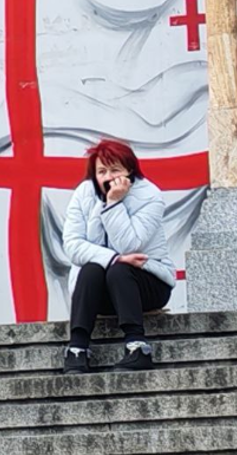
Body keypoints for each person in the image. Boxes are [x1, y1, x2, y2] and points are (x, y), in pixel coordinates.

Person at [62, 139, 176, 373]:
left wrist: (113, 202)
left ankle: (137, 346)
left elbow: (131, 244)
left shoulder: (150, 196)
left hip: (147, 283)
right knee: (93, 268)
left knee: (120, 270)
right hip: (99, 289)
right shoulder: (83, 193)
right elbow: (72, 246)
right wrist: (113, 258)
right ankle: (77, 350)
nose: (108, 177)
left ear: (129, 170)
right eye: (101, 171)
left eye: (115, 170)